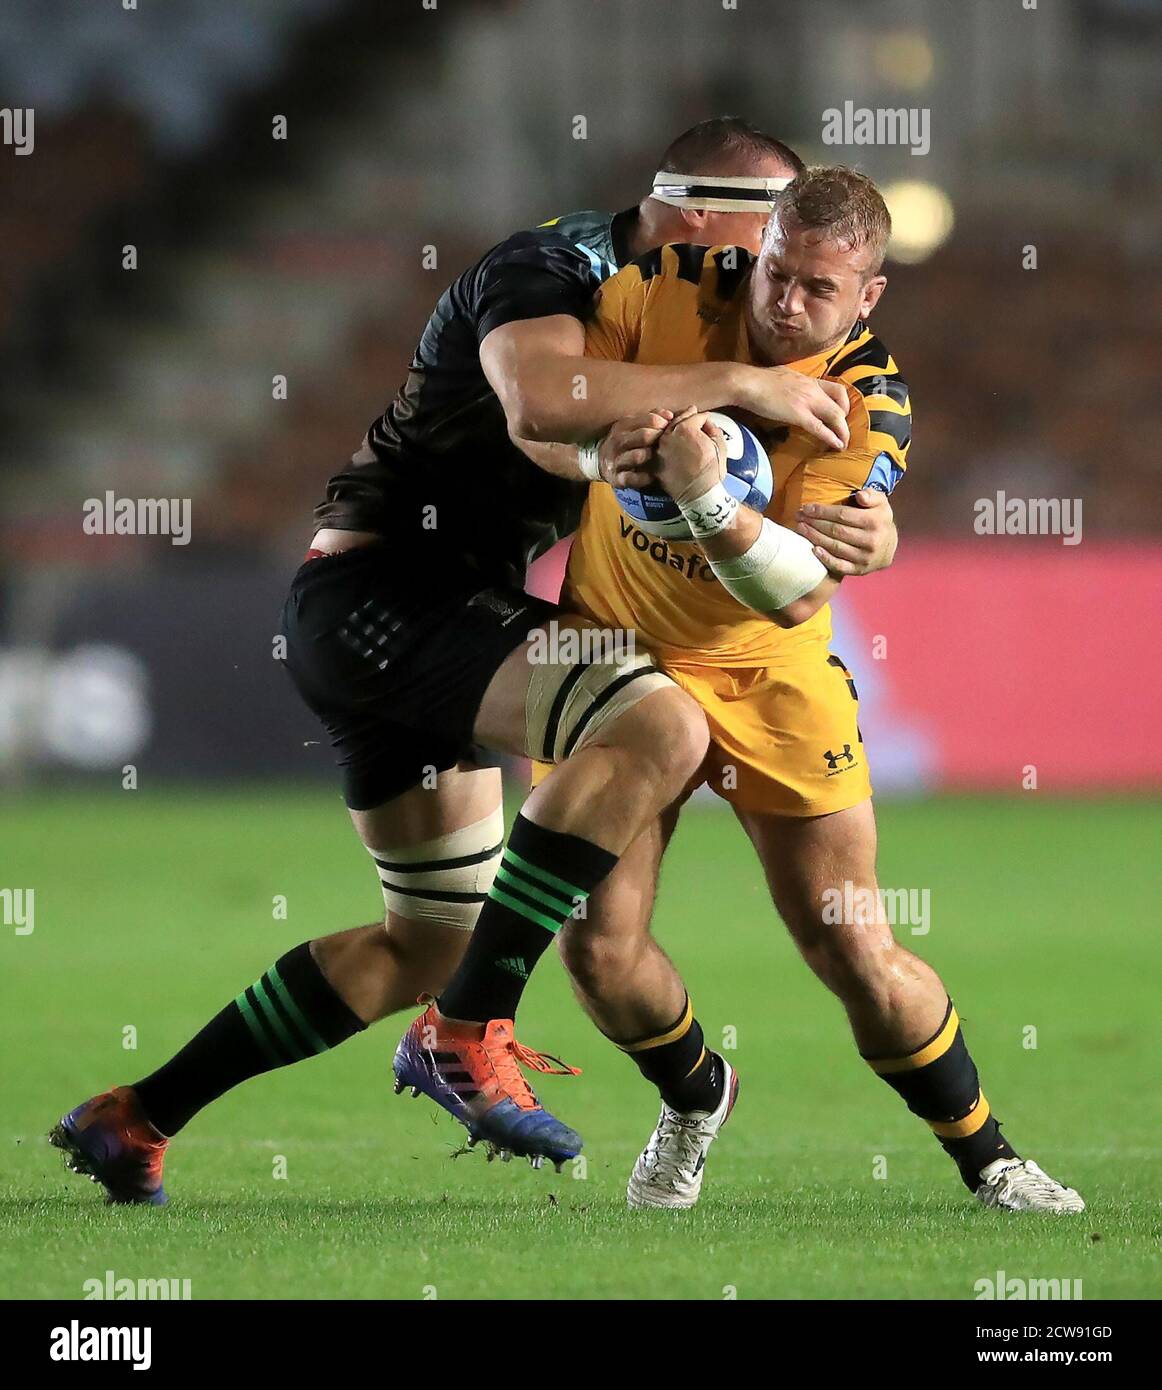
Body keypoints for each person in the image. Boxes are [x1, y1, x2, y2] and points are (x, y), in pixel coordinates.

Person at [49, 121, 888, 1203]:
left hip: (425, 614)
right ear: (694, 213)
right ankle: (471, 1029)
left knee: (424, 939)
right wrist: (736, 384)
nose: (760, 279)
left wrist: (862, 525)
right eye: (759, 240)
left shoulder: (650, 316)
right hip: (393, 594)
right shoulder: (550, 267)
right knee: (656, 723)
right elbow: (542, 401)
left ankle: (137, 1117)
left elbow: (573, 444)